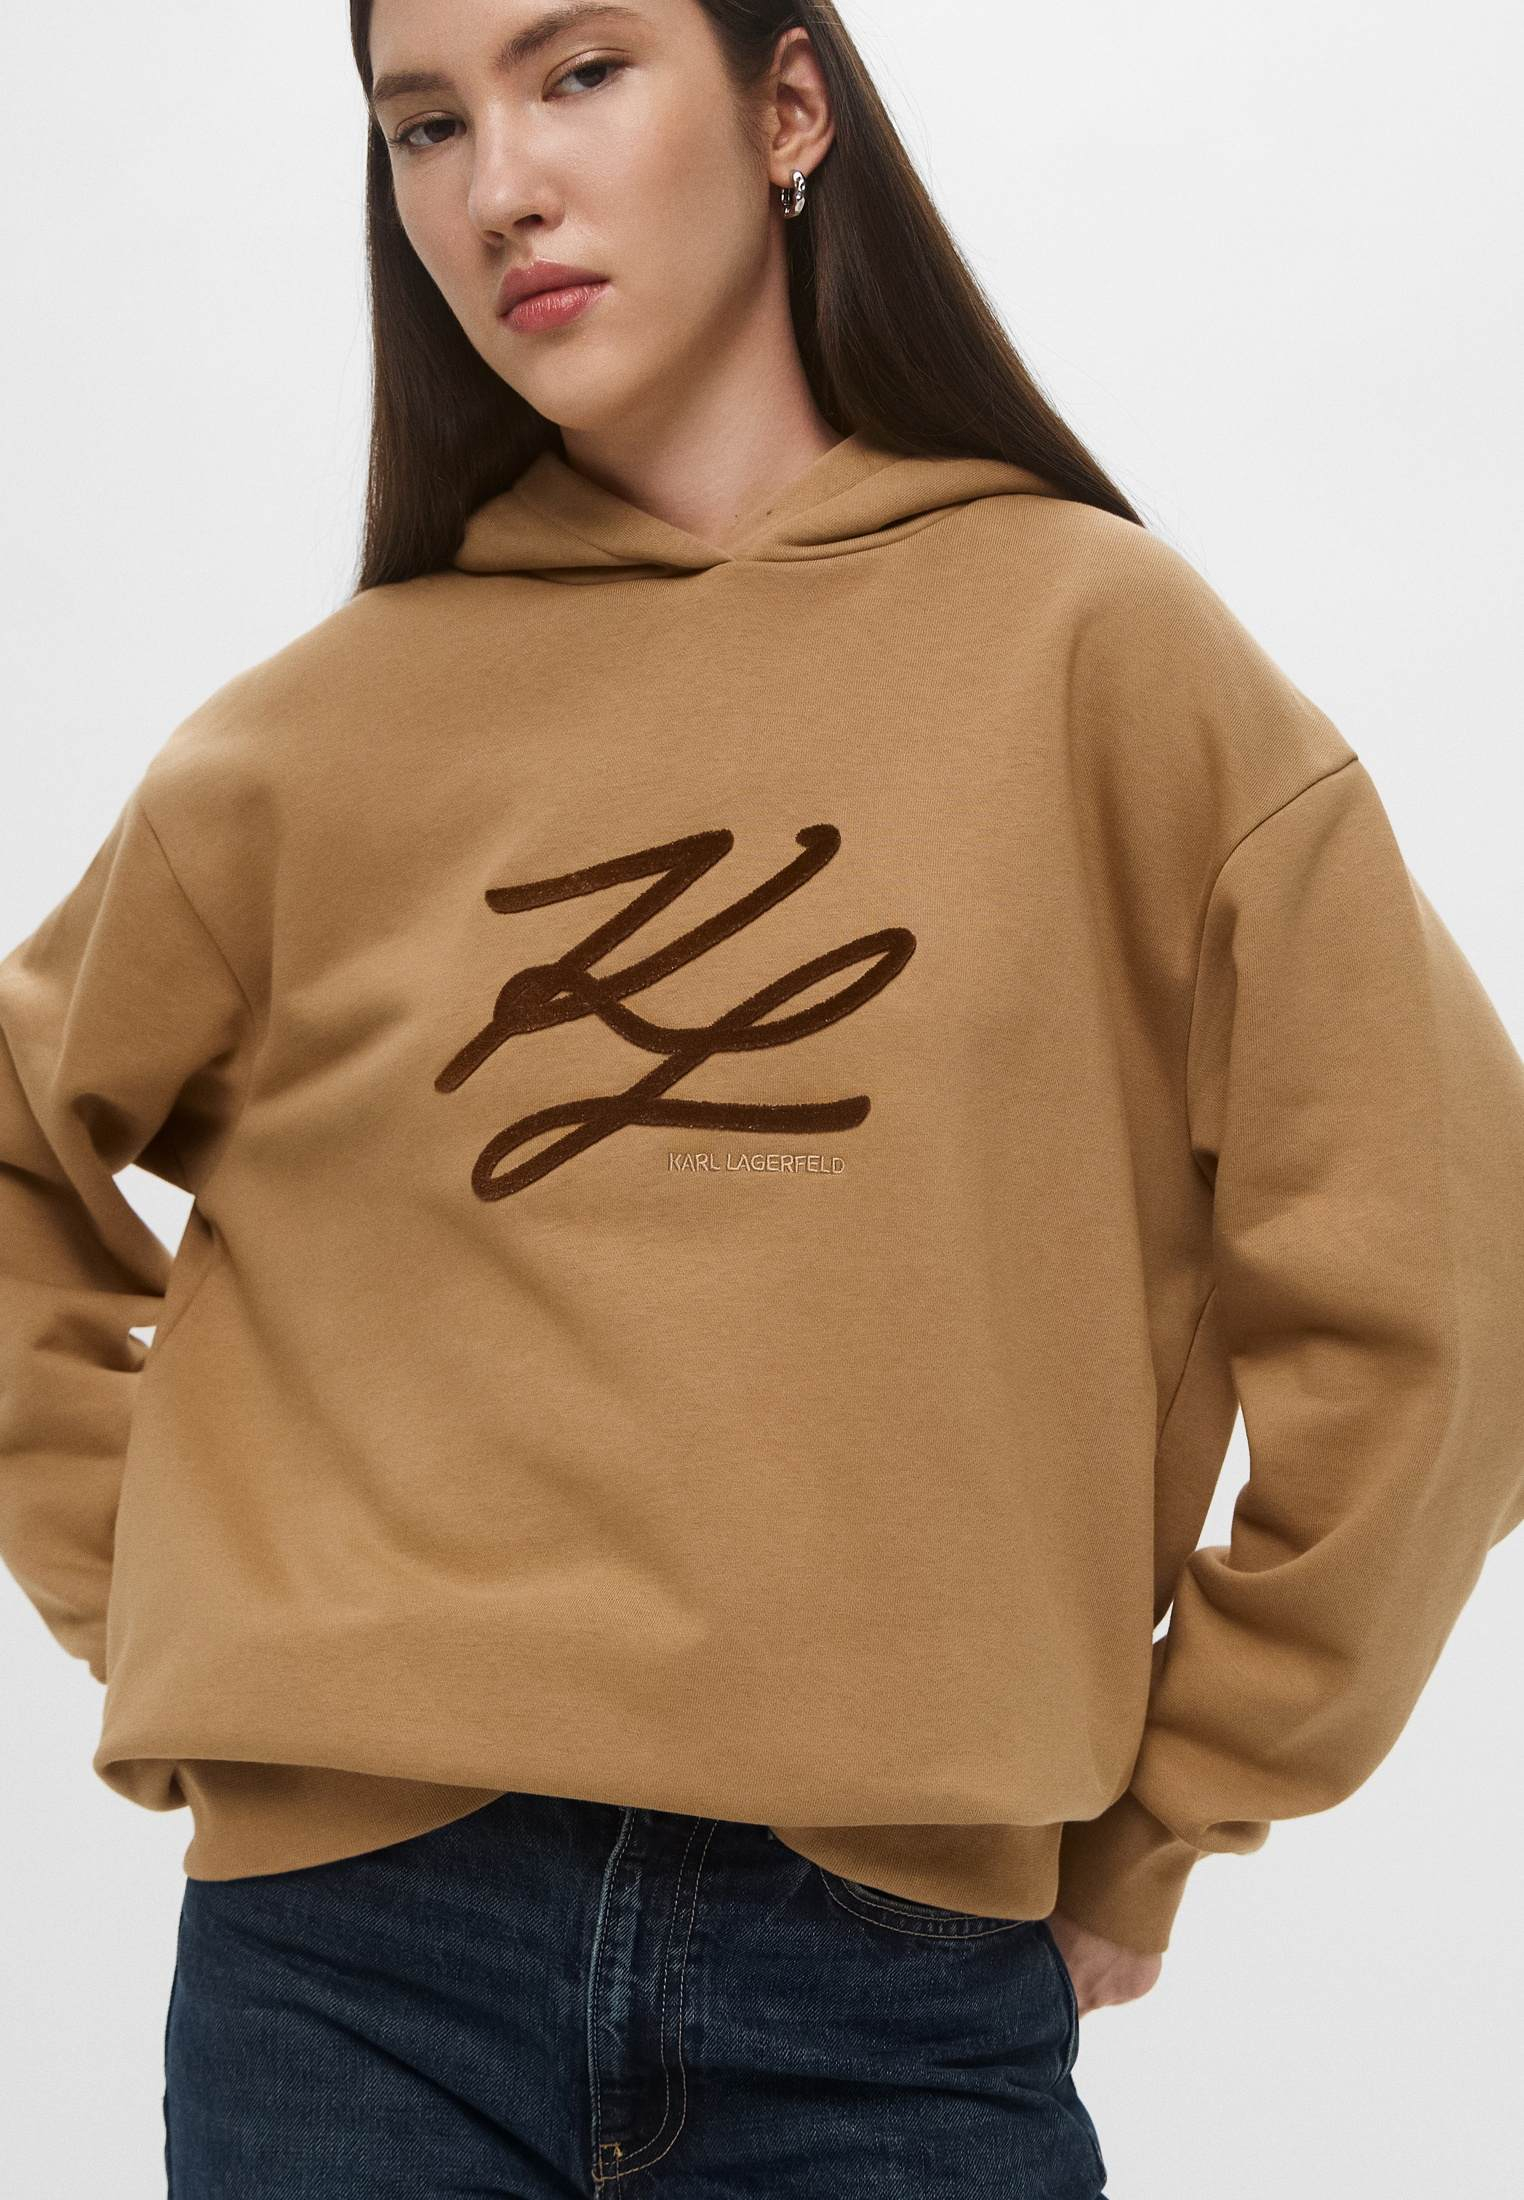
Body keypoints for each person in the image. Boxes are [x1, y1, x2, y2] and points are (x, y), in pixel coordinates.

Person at [1, 0, 1520, 2192]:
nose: (497, 185)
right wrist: (157, 1589)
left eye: (577, 72)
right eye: (422, 124)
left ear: (790, 104)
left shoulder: (1103, 660)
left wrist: (1181, 1798)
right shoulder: (309, 747)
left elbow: (1448, 1284)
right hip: (349, 1974)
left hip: (892, 1983)